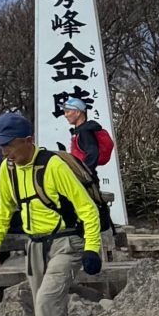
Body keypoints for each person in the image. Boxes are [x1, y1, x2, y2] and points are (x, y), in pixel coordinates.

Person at [0, 111, 103, 316]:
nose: (4, 151)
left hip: (66, 242)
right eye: (0, 145)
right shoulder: (9, 169)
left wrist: (92, 248)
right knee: (50, 309)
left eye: (8, 144)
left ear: (28, 140)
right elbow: (5, 208)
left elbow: (87, 209)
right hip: (34, 246)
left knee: (45, 303)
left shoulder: (54, 166)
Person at [61, 97, 116, 230]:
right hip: (87, 178)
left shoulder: (84, 132)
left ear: (78, 112)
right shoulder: (83, 130)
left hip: (85, 180)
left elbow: (92, 153)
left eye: (68, 111)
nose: (65, 114)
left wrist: (83, 173)